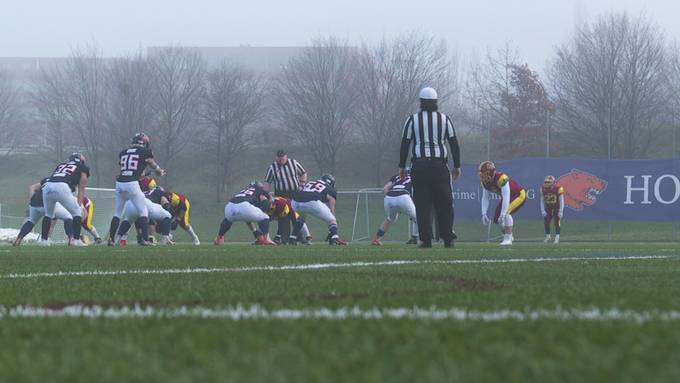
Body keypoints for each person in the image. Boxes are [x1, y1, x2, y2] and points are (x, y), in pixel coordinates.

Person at [398, 87, 460, 248]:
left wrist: (401, 166)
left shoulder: (412, 119)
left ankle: (425, 239)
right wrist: (457, 165)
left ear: (421, 102)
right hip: (440, 167)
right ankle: (448, 238)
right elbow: (453, 142)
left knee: (422, 205)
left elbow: (405, 143)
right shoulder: (444, 119)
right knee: (445, 204)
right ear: (436, 102)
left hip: (420, 166)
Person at [107, 133, 165, 246]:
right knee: (143, 211)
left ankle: (111, 239)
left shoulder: (123, 152)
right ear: (144, 143)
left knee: (117, 213)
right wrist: (159, 171)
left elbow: (133, 168)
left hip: (120, 183)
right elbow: (152, 164)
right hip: (132, 183)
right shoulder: (145, 152)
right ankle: (145, 239)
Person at [42, 153, 90, 246]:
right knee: (77, 212)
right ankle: (76, 240)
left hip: (47, 186)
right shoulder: (82, 168)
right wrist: (79, 205)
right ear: (81, 162)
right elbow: (82, 187)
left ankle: (44, 241)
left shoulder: (61, 165)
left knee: (48, 214)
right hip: (62, 186)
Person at [264, 149, 307, 244]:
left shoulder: (293, 163)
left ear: (286, 156)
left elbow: (303, 173)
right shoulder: (272, 167)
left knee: (296, 216)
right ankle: (285, 238)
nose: (281, 160)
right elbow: (267, 182)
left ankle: (298, 236)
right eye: (279, 158)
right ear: (276, 157)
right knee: (283, 217)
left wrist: (302, 184)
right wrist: (266, 195)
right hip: (281, 195)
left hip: (294, 193)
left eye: (282, 158)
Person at [479, 161, 526, 246]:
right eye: (481, 174)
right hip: (507, 197)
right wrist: (484, 213)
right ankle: (507, 234)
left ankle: (508, 238)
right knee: (497, 219)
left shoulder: (502, 178)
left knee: (506, 213)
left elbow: (506, 197)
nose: (483, 176)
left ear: (491, 173)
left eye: (485, 174)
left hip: (518, 194)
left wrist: (503, 213)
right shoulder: (485, 183)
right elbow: (485, 198)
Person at [13, 179, 72, 246]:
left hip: (34, 201)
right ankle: (70, 238)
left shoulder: (47, 179)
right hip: (47, 201)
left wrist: (31, 201)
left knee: (31, 221)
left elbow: (32, 187)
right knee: (68, 217)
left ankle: (19, 238)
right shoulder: (62, 183)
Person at [292, 174, 347, 246]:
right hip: (312, 201)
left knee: (301, 218)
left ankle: (292, 238)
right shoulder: (330, 189)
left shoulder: (310, 182)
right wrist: (332, 229)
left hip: (295, 201)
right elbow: (331, 207)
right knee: (332, 219)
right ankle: (335, 238)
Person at [214, 181, 274, 245]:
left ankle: (218, 238)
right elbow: (269, 201)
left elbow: (248, 218)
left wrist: (255, 232)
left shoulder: (244, 191)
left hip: (229, 207)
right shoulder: (259, 190)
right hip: (245, 206)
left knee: (228, 219)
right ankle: (266, 239)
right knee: (265, 217)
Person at [371, 170, 418, 245]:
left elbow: (385, 188)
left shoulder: (396, 176)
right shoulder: (416, 176)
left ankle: (376, 239)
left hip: (389, 197)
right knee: (418, 217)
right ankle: (418, 238)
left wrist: (392, 197)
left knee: (390, 218)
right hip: (403, 196)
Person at [540, 175, 565, 244]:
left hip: (556, 208)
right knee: (546, 222)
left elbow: (561, 201)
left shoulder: (558, 189)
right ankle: (548, 236)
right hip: (548, 208)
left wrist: (561, 211)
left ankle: (557, 237)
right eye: (545, 182)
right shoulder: (543, 188)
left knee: (557, 222)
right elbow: (542, 200)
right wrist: (542, 210)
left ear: (553, 182)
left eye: (548, 182)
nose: (546, 183)